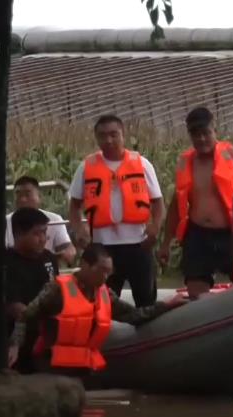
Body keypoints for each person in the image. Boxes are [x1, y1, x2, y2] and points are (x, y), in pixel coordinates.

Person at [7, 243, 188, 376]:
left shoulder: (105, 294)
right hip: (51, 366)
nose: (105, 277)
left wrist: (167, 305)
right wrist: (15, 345)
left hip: (85, 368)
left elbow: (133, 315)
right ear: (85, 265)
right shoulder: (57, 290)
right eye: (101, 270)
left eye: (109, 272)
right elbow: (25, 315)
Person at [157, 107, 233, 299]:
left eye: (206, 133)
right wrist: (165, 243)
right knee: (196, 290)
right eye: (196, 134)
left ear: (215, 130)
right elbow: (175, 206)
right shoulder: (185, 162)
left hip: (231, 233)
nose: (202, 139)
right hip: (198, 234)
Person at [68, 115, 165, 307]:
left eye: (114, 134)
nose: (109, 140)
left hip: (139, 244)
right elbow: (74, 205)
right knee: (102, 301)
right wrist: (79, 229)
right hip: (103, 247)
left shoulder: (142, 164)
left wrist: (155, 227)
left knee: (146, 299)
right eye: (103, 136)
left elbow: (158, 203)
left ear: (123, 134)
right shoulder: (86, 167)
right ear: (96, 138)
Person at [3, 207, 59, 374]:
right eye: (37, 233)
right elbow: (14, 307)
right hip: (16, 336)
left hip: (46, 334)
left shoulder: (49, 258)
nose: (43, 239)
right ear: (19, 233)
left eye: (45, 232)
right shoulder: (6, 263)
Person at [5, 176, 76, 266]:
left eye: (28, 195)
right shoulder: (4, 222)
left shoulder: (54, 219)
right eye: (18, 195)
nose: (22, 199)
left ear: (39, 197)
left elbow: (68, 249)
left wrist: (67, 253)